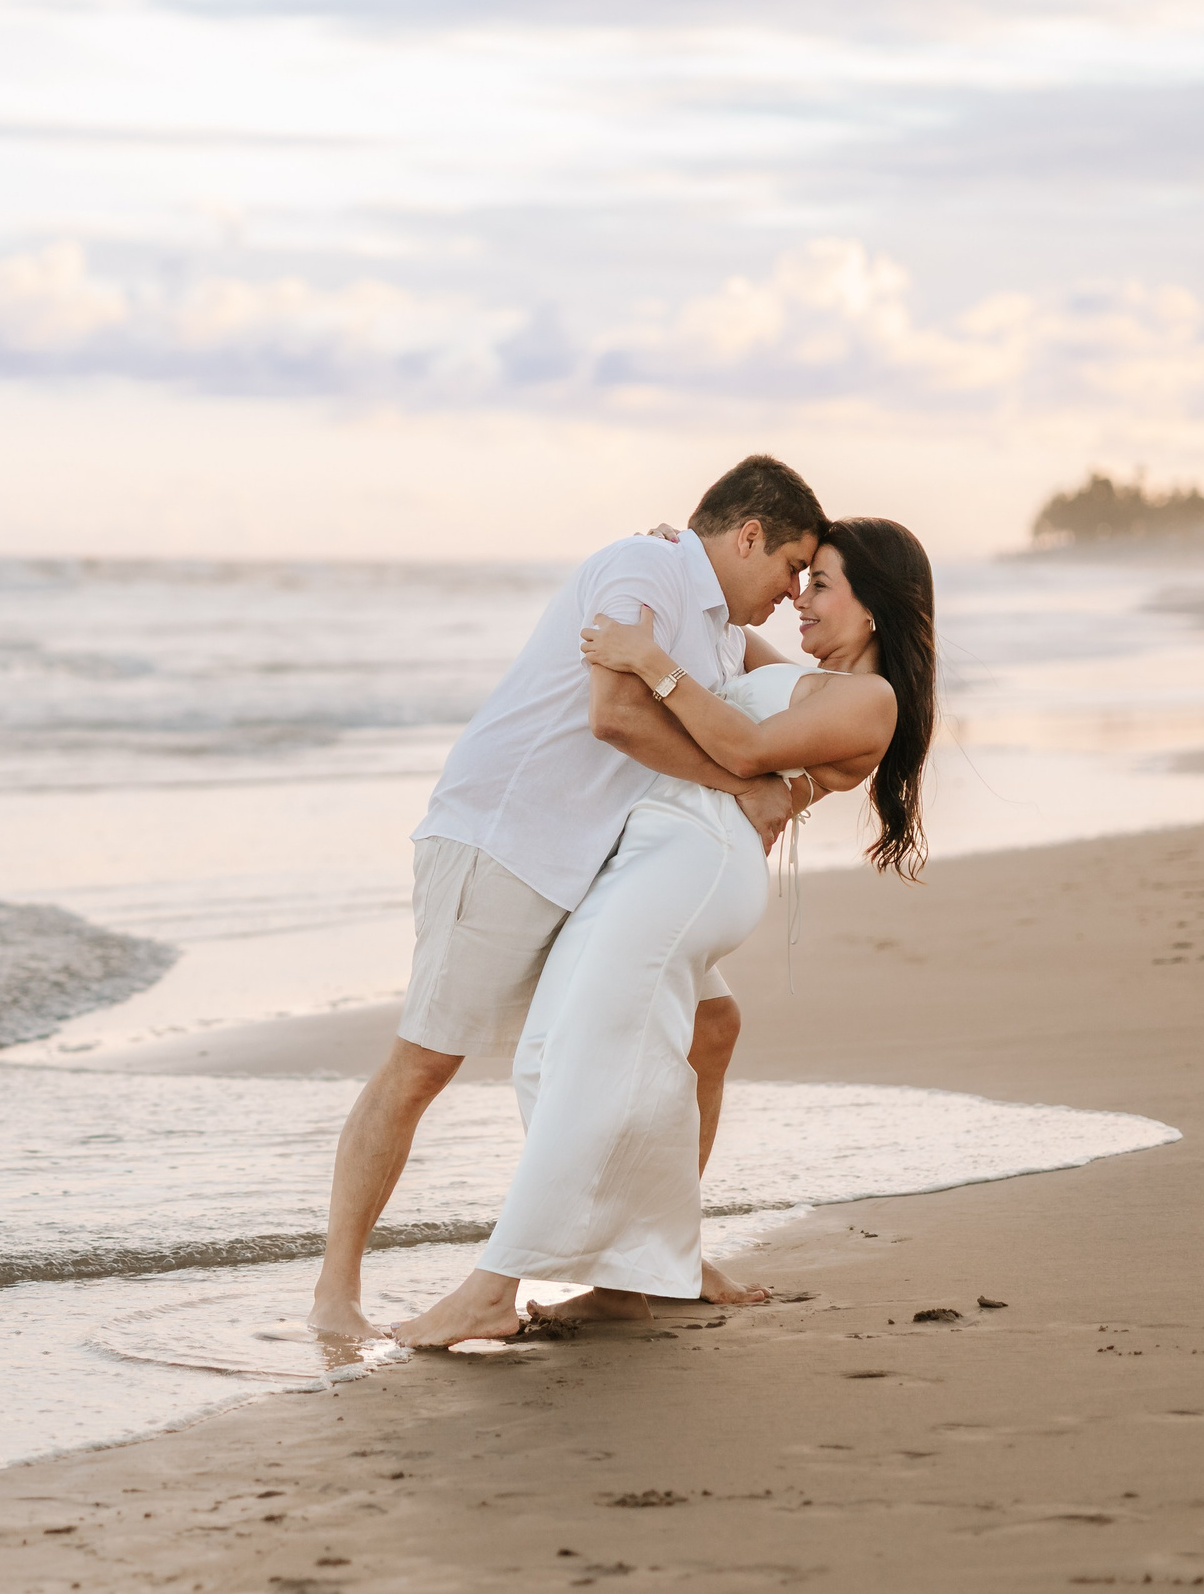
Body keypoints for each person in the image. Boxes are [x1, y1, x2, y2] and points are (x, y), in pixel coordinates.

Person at [309, 456, 827, 1341]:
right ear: (749, 536)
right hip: (503, 843)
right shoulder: (646, 566)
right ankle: (335, 1293)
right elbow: (614, 714)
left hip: (595, 866)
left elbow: (814, 697)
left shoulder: (716, 627)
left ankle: (653, 1257)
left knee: (711, 1026)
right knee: (422, 1065)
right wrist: (743, 786)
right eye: (791, 566)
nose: (792, 591)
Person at [391, 516, 938, 1346]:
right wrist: (688, 553)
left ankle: (492, 1288)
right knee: (547, 1054)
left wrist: (648, 661)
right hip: (650, 856)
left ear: (873, 608)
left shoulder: (874, 700)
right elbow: (724, 626)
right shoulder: (801, 677)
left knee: (592, 1058)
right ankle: (628, 1278)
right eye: (799, 576)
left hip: (694, 865)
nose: (800, 597)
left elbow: (746, 747)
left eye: (821, 582)